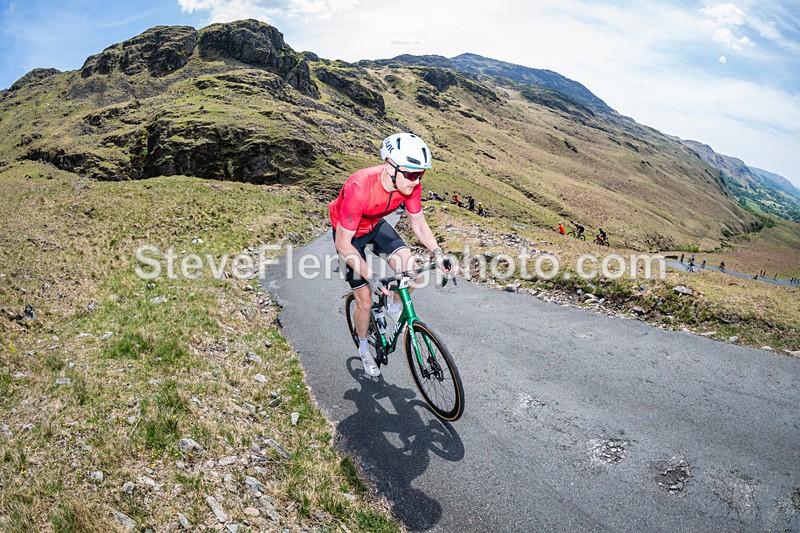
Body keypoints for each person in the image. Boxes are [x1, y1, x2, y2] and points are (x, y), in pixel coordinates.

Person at [330, 132, 449, 377]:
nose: (416, 181)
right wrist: (371, 276)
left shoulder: (409, 184)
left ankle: (395, 309)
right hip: (350, 236)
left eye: (421, 174)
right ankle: (364, 347)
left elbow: (418, 222)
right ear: (390, 166)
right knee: (364, 300)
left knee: (413, 270)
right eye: (412, 174)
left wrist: (437, 252)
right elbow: (343, 244)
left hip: (375, 225)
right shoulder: (359, 187)